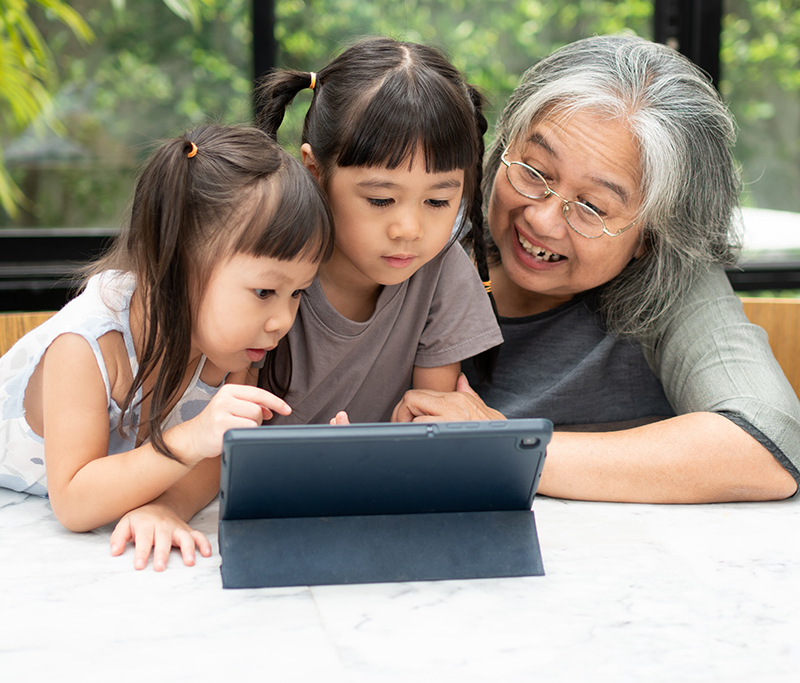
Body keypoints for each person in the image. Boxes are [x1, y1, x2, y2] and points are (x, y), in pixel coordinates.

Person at [392, 33, 800, 503]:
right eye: (534, 171)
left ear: (651, 235)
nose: (541, 218)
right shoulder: (413, 238)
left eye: (592, 206)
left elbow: (765, 444)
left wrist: (505, 449)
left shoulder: (673, 283)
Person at [0, 125, 333, 542]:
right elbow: (73, 500)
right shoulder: (87, 346)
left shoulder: (232, 349)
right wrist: (192, 436)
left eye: (297, 292)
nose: (283, 320)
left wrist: (167, 507)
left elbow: (213, 458)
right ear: (175, 264)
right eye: (264, 291)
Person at [254, 37, 503, 423]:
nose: (409, 229)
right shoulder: (259, 266)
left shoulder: (442, 272)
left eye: (437, 202)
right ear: (315, 172)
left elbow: (427, 434)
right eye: (381, 200)